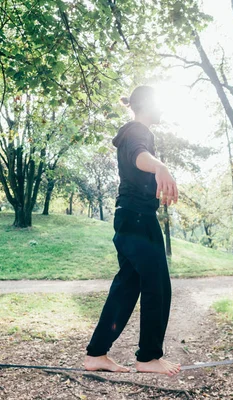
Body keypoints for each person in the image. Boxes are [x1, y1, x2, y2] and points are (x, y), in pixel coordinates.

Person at [83, 86, 181, 376]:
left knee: (126, 288)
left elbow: (137, 159)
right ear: (148, 104)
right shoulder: (138, 131)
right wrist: (160, 167)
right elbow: (139, 157)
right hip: (138, 220)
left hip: (129, 219)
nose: (162, 110)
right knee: (157, 285)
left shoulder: (132, 132)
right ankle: (148, 357)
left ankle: (96, 354)